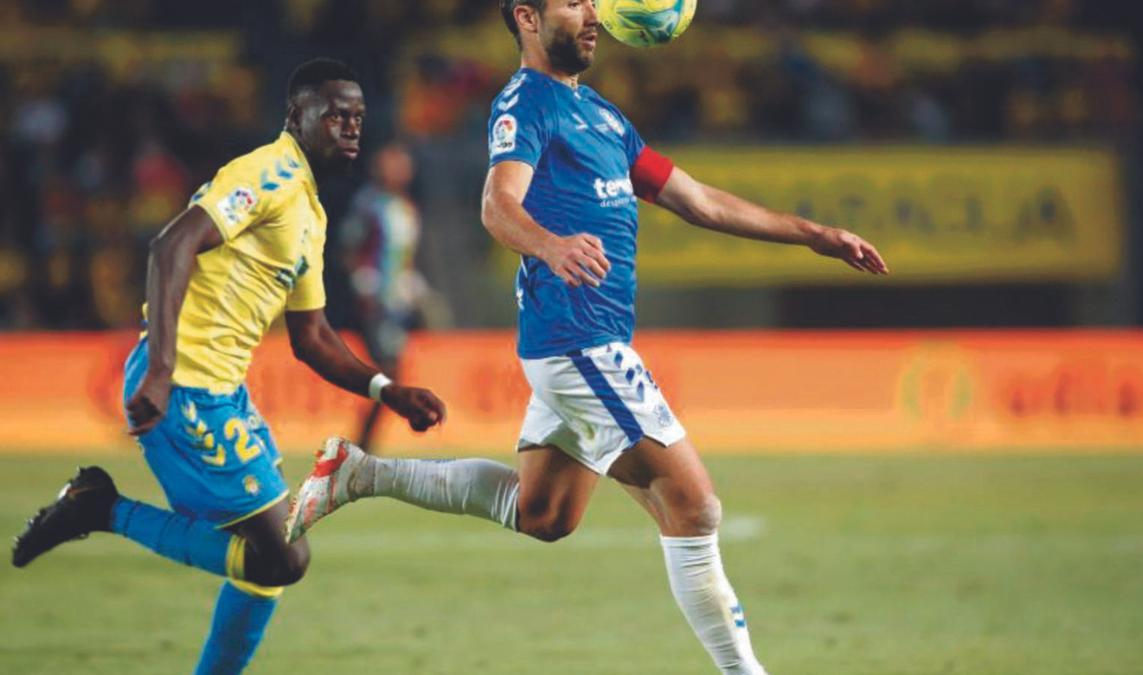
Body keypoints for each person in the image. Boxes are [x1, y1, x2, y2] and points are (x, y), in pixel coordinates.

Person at [285, 3, 888, 673]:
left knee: (542, 512)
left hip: (579, 343)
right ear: (528, 17)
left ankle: (359, 472)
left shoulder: (602, 116)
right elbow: (496, 202)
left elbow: (698, 199)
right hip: (581, 341)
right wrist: (550, 246)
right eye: (573, 1)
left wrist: (814, 235)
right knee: (694, 506)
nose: (594, 13)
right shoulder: (526, 103)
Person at [11, 58, 445, 675]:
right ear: (297, 116)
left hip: (221, 392)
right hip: (185, 384)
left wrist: (385, 388)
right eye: (335, 114)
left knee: (268, 566)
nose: (350, 127)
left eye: (358, 117)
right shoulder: (266, 173)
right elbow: (171, 244)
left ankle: (100, 512)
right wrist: (161, 368)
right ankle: (101, 509)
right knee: (285, 558)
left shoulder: (311, 214)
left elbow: (313, 336)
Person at [340, 142, 428, 453]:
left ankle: (362, 445)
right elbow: (350, 246)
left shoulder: (406, 207)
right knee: (388, 371)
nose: (401, 171)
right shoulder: (368, 203)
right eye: (394, 164)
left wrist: (411, 282)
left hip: (398, 302)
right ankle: (362, 445)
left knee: (391, 372)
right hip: (377, 302)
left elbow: (404, 256)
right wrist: (362, 281)